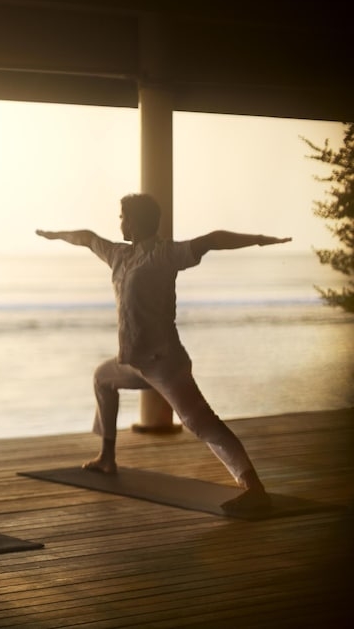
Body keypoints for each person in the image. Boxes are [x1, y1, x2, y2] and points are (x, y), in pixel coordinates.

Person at [36, 192, 291, 515]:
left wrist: (258, 240)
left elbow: (212, 240)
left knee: (200, 423)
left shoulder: (165, 254)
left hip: (164, 363)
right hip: (133, 363)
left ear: (137, 221)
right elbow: (87, 238)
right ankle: (107, 458)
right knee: (102, 378)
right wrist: (54, 235)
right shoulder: (118, 255)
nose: (120, 223)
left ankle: (254, 488)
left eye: (123, 217)